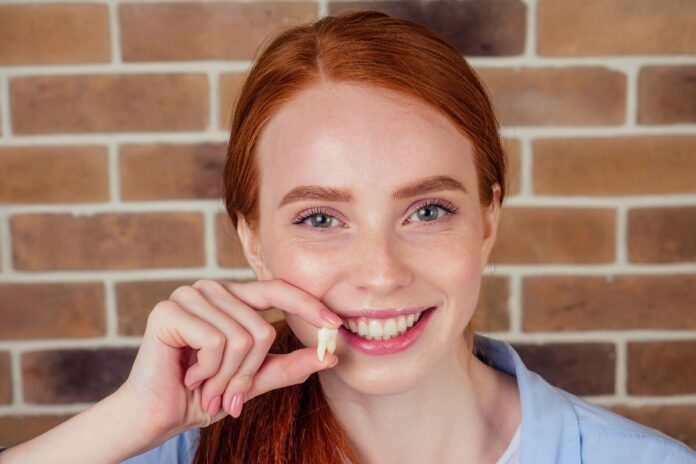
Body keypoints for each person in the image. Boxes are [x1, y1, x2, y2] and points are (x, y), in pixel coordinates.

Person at [0, 10, 694, 464]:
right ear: (251, 238)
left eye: (426, 211)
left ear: (488, 219)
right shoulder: (179, 446)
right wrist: (131, 419)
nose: (380, 272)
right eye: (320, 219)